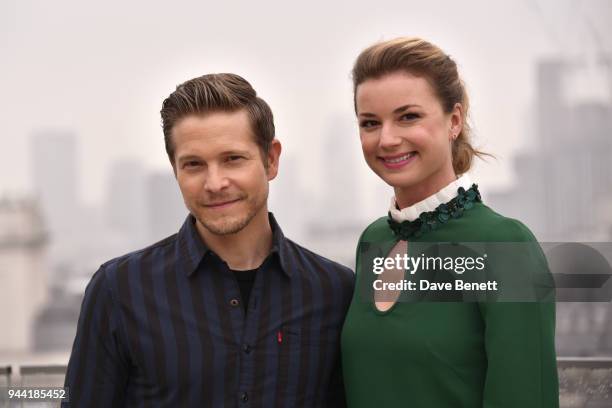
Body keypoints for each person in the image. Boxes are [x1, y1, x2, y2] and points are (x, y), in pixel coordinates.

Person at [63, 73, 354, 407]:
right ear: (175, 171)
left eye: (232, 158)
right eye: (194, 165)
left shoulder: (335, 291)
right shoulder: (119, 290)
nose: (215, 183)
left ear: (271, 160)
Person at [340, 38, 559, 407]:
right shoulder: (372, 241)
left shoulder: (505, 245)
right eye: (370, 123)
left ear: (453, 120)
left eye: (408, 116)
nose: (387, 139)